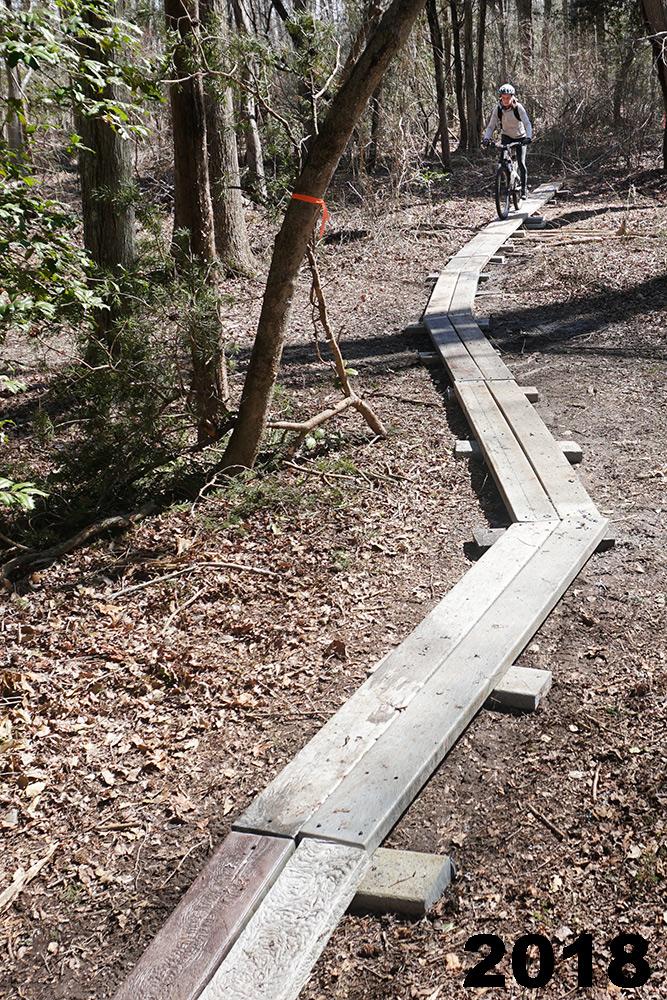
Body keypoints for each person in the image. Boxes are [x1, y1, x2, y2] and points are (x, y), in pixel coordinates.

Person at [482, 84, 532, 199]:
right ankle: (507, 180)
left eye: (508, 98)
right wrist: (486, 138)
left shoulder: (518, 108)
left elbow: (527, 123)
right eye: (503, 98)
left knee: (521, 162)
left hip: (520, 137)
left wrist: (528, 137)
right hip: (506, 136)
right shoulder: (498, 108)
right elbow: (491, 126)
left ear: (512, 97)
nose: (505, 100)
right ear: (500, 97)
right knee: (502, 161)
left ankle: (523, 189)